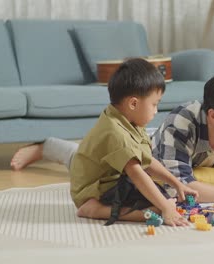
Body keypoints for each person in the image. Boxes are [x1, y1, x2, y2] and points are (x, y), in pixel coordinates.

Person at [11, 69, 214, 203]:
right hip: (145, 148)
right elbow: (183, 187)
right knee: (83, 158)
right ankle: (47, 146)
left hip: (170, 150)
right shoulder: (183, 122)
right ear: (213, 115)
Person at [25, 58, 198, 226]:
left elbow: (147, 160)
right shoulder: (116, 133)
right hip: (94, 190)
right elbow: (137, 174)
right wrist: (165, 208)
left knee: (164, 198)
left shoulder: (130, 121)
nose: (156, 111)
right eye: (154, 104)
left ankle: (149, 206)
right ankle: (95, 209)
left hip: (114, 181)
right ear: (133, 104)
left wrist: (176, 184)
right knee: (158, 206)